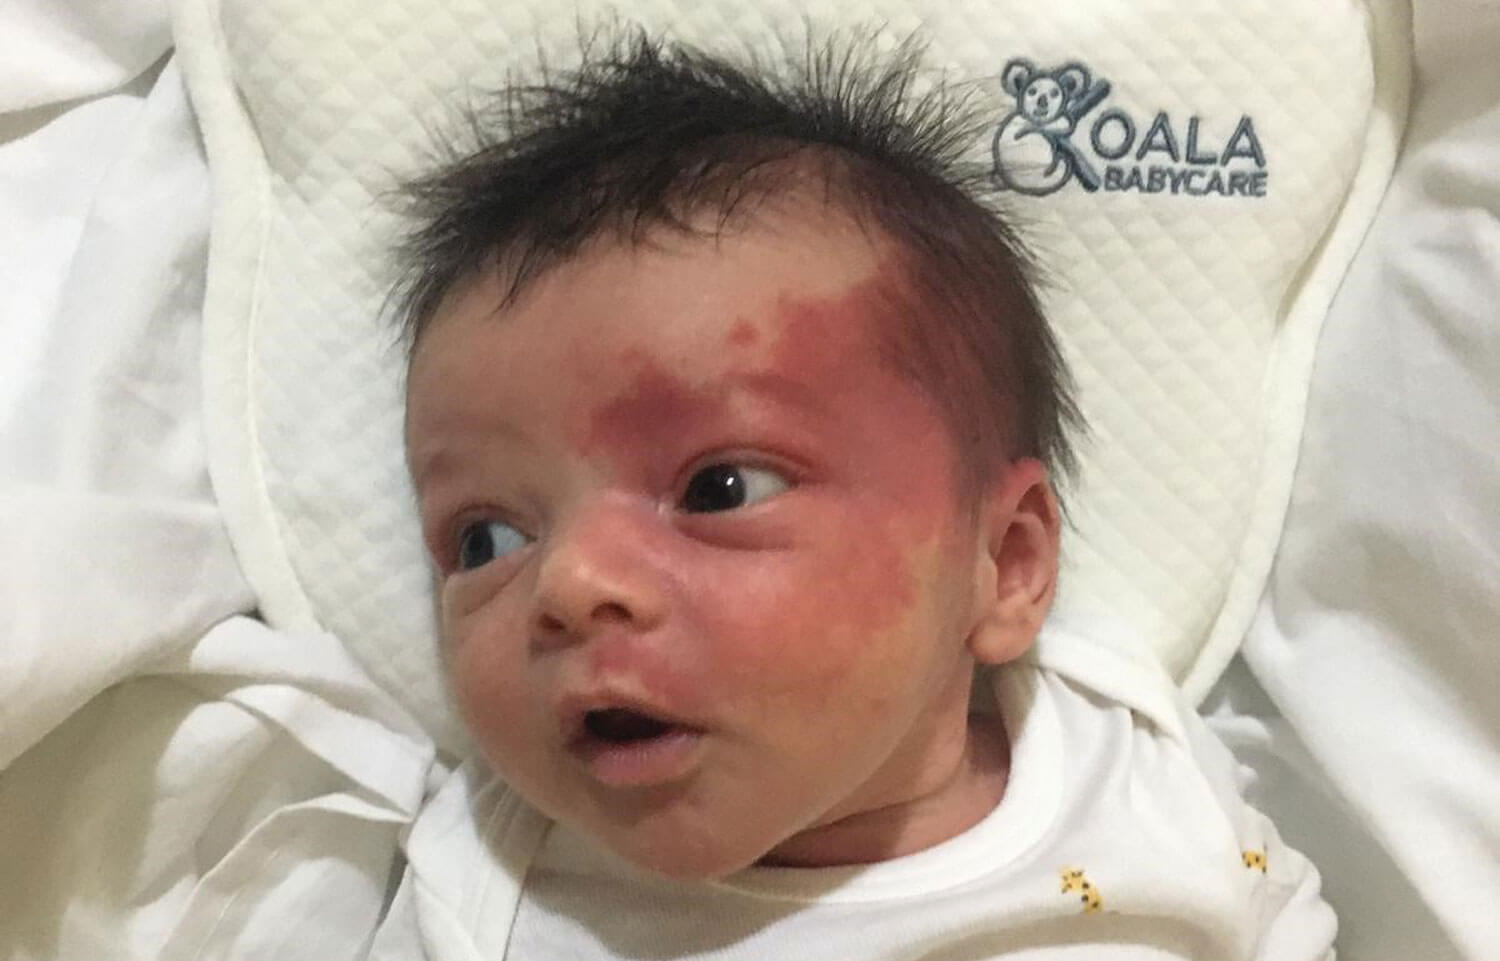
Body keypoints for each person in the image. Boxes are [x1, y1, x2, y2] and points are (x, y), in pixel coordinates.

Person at [378, 28, 1336, 959]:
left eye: (719, 488)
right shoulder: (486, 887)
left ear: (1004, 563)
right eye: (485, 540)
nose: (570, 582)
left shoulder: (1133, 778)